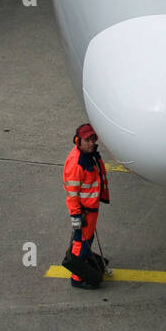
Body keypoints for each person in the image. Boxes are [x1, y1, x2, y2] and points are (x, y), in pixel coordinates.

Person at [63, 123, 110, 289]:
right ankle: (77, 278)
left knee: (85, 241)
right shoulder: (77, 165)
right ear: (78, 141)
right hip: (84, 213)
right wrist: (75, 216)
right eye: (87, 140)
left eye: (92, 139)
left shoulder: (88, 155)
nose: (91, 143)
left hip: (90, 210)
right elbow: (72, 194)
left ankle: (80, 269)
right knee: (80, 244)